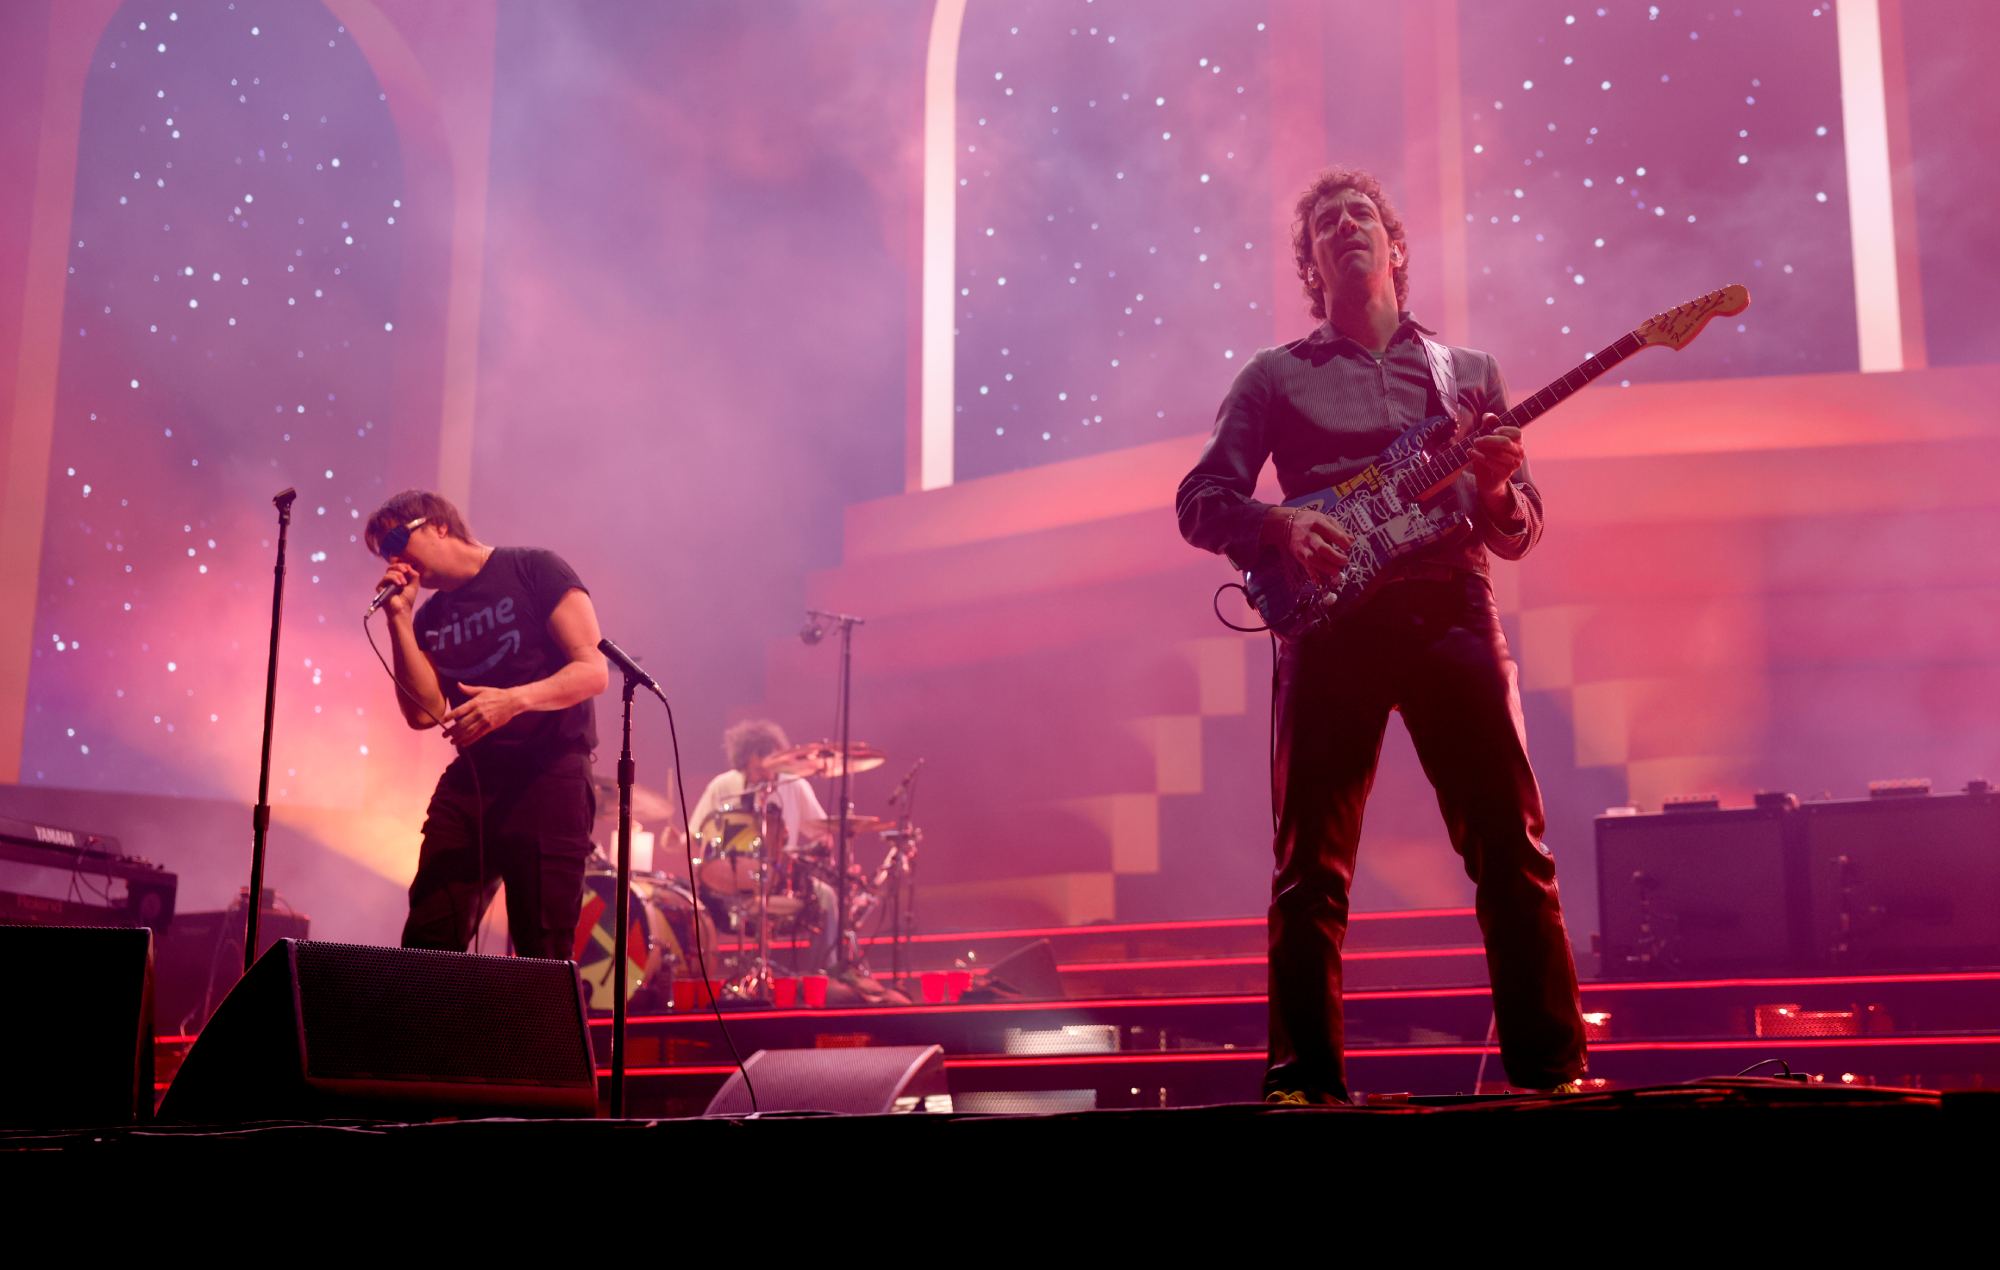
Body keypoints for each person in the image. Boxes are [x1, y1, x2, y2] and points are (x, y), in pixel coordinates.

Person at [1175, 167, 1588, 1103]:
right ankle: (1302, 1086)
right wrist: (1280, 526)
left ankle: (1552, 1077)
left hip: (1451, 607)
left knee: (1512, 849)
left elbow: (1518, 527)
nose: (1346, 227)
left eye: (1361, 215)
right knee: (1309, 868)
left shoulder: (1468, 373)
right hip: (1327, 627)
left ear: (1396, 247)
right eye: (1326, 223)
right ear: (1312, 264)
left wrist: (1488, 489)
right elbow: (1201, 502)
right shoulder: (1273, 376)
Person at [365, 490, 608, 960]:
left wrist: (513, 702)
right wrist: (398, 619)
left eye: (397, 539)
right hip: (475, 780)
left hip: (548, 774)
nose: (394, 558)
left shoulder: (534, 569)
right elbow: (422, 713)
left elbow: (592, 670)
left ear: (437, 525)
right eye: (383, 551)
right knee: (427, 941)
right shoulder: (431, 616)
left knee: (542, 949)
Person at [686, 719, 840, 974]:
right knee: (692, 904)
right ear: (743, 763)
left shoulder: (795, 785)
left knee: (827, 897)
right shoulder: (722, 786)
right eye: (758, 769)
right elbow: (696, 836)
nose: (767, 776)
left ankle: (823, 978)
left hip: (782, 880)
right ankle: (701, 983)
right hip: (730, 881)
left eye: (772, 767)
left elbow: (822, 834)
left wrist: (819, 847)